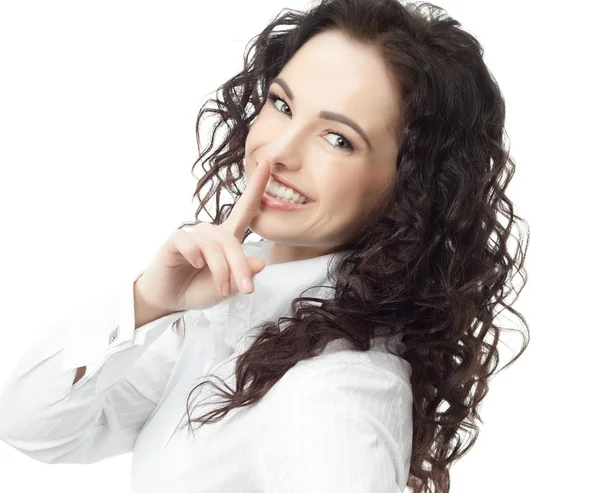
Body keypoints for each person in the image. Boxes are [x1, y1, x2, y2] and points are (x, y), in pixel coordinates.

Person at [0, 0, 530, 492]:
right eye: (281, 104)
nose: (278, 151)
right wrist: (148, 302)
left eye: (338, 138)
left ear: (405, 191)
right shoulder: (232, 309)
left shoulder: (334, 391)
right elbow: (33, 425)